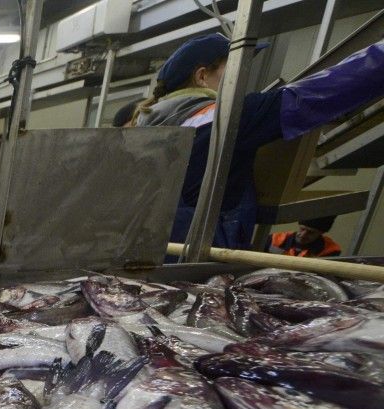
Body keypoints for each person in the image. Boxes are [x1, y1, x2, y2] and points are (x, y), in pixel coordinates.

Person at [136, 34, 384, 251]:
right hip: (201, 256)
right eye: (232, 71)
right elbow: (320, 93)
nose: (240, 80)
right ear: (202, 76)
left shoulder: (147, 127)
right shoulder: (229, 117)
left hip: (150, 249)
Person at [269, 216, 342, 257]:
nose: (303, 235)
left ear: (321, 233)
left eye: (310, 232)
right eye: (302, 229)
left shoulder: (330, 250)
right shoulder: (275, 239)